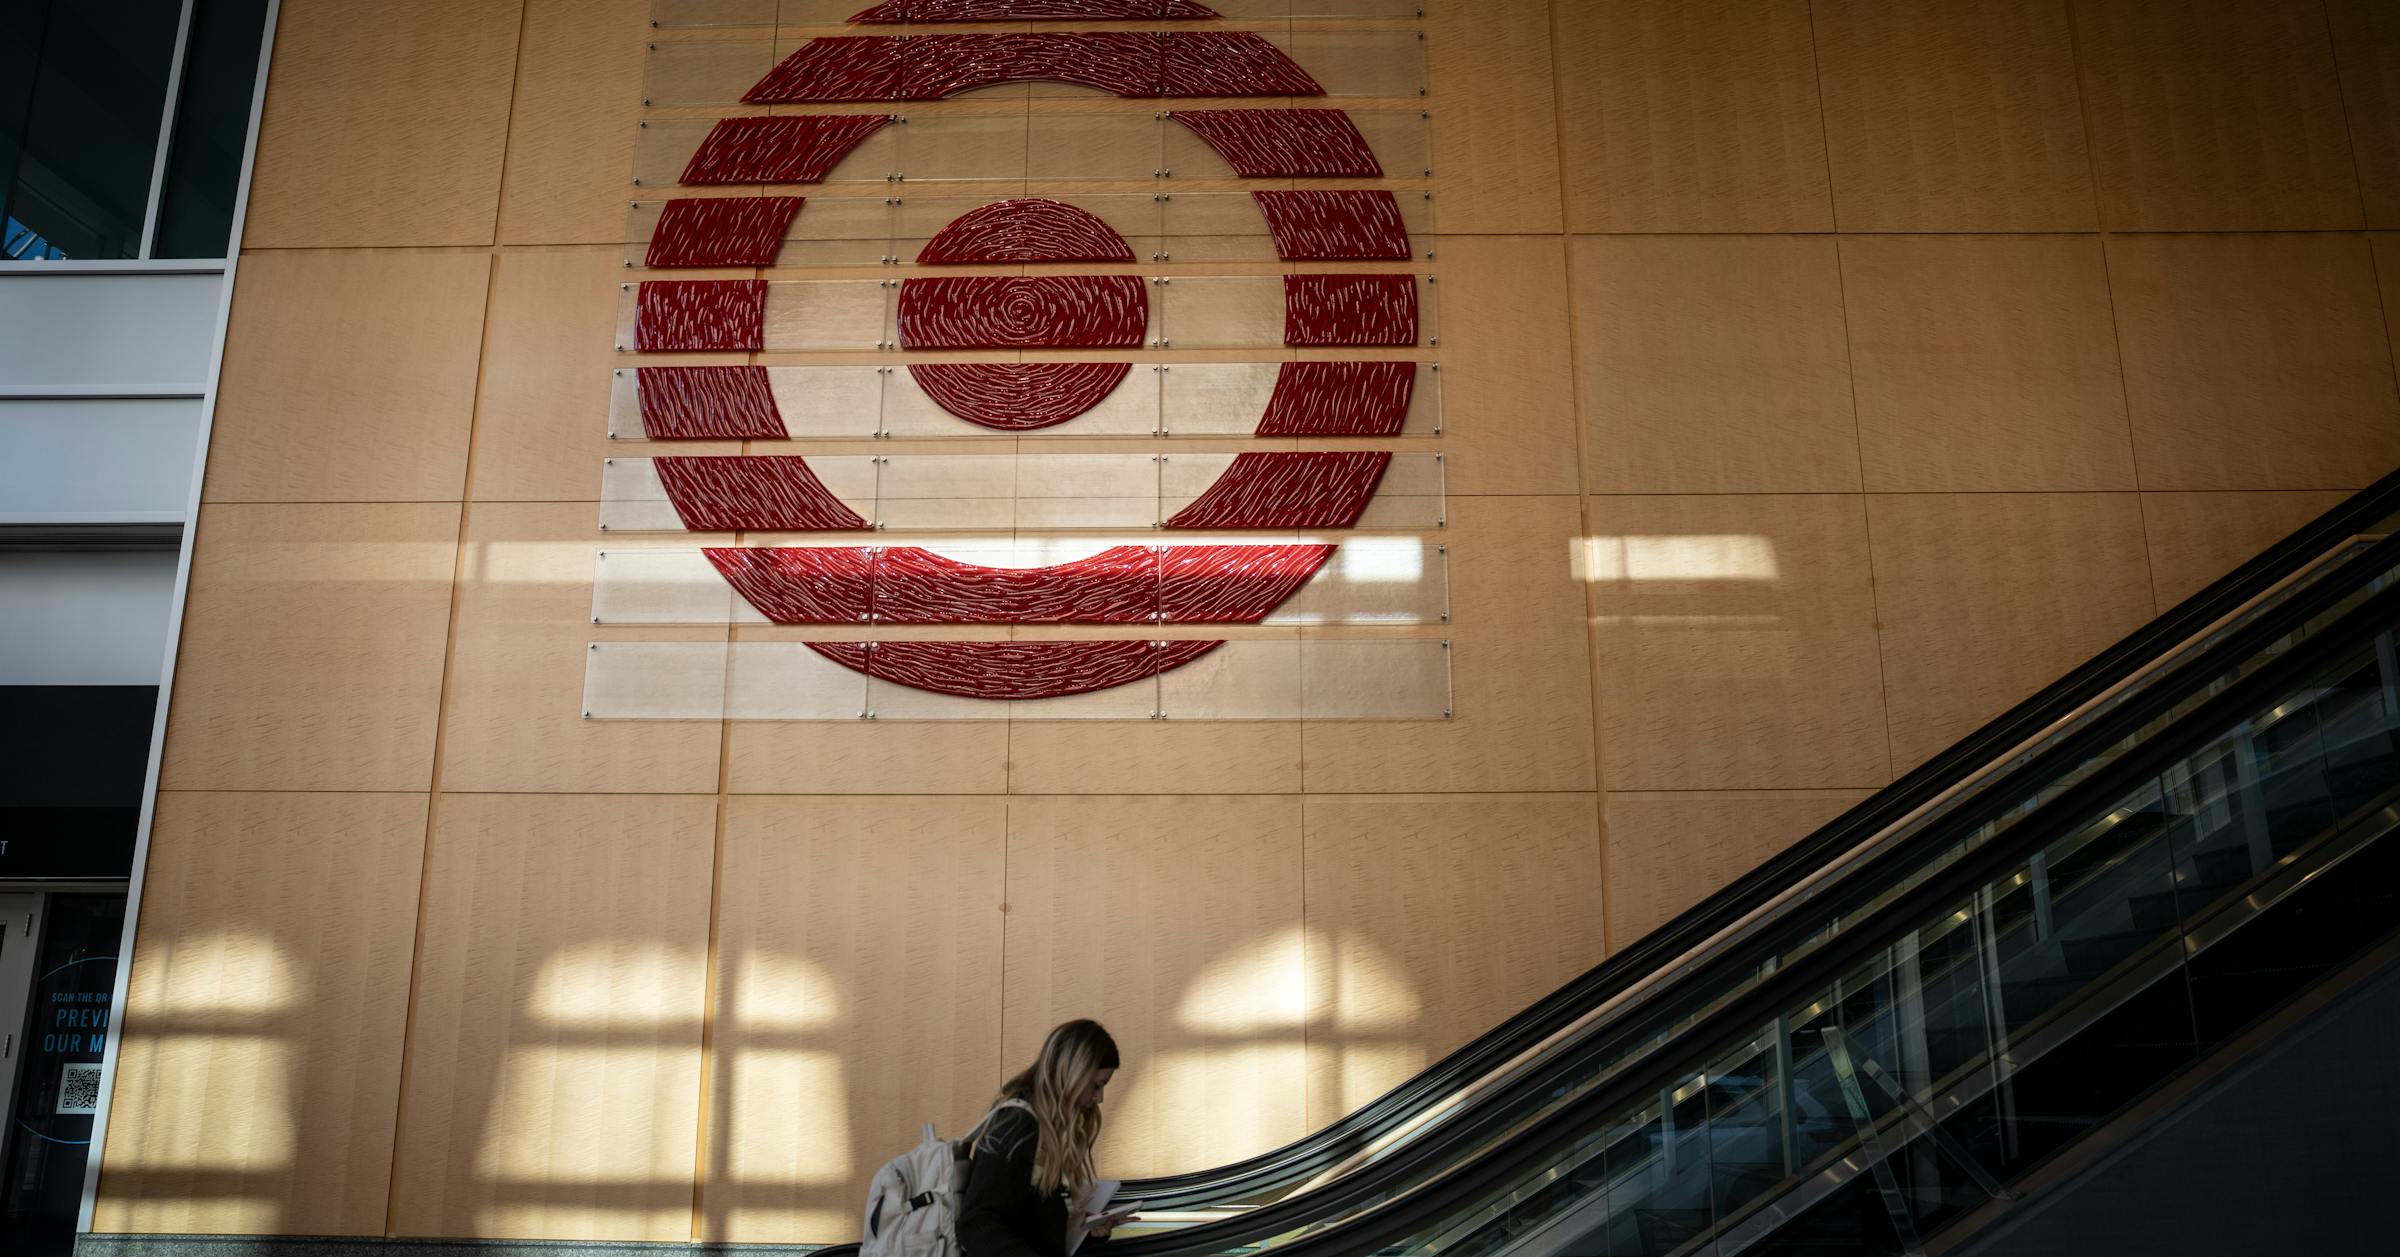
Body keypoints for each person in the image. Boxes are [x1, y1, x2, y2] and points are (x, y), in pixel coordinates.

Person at [958, 1019, 1126, 1257]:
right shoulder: (1017, 1126)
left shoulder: (1050, 1130)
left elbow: (1037, 1228)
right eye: (1096, 1085)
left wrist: (1086, 1231)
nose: (1099, 1098)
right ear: (1072, 1074)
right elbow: (976, 1224)